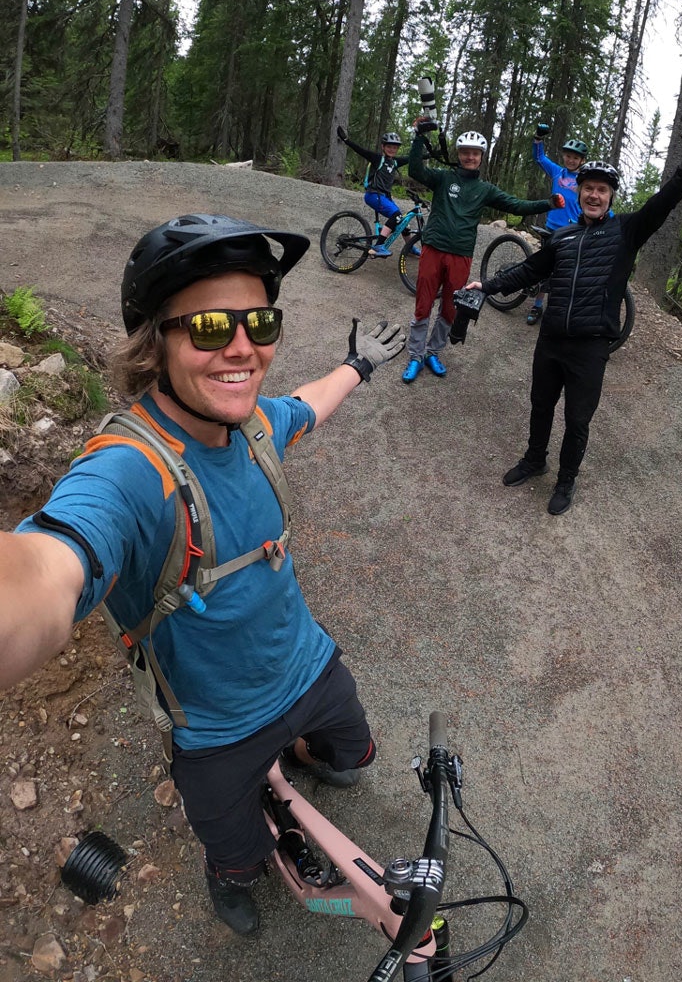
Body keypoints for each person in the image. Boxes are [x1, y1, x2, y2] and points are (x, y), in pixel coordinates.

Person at [0, 214, 405, 935]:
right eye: (211, 326)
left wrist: (359, 365)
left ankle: (302, 754)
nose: (242, 347)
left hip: (306, 665)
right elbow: (48, 567)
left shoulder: (256, 425)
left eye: (260, 322)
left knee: (354, 757)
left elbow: (308, 404)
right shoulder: (130, 470)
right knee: (236, 851)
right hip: (215, 728)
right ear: (155, 343)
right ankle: (232, 875)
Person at [467, 112, 682, 516]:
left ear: (611, 197)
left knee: (578, 419)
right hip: (551, 339)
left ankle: (566, 480)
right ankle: (534, 459)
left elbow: (664, 202)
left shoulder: (627, 231)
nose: (594, 195)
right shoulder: (563, 237)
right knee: (540, 405)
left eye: (601, 190)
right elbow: (530, 270)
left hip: (590, 347)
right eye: (588, 189)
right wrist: (488, 286)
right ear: (578, 193)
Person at [403, 116, 565, 382]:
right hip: (433, 248)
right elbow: (415, 171)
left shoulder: (485, 189)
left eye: (475, 153)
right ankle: (415, 356)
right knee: (423, 304)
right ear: (459, 154)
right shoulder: (444, 178)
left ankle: (433, 352)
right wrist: (419, 137)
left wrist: (547, 203)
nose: (470, 157)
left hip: (461, 254)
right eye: (465, 152)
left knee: (450, 307)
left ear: (481, 157)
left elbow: (516, 205)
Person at [527, 125, 587, 324]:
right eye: (568, 156)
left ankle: (556, 309)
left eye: (575, 158)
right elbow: (539, 158)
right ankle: (537, 306)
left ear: (582, 160)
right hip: (552, 228)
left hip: (572, 231)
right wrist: (538, 138)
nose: (571, 160)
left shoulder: (585, 180)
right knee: (546, 269)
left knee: (563, 272)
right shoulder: (557, 172)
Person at [336, 125, 417, 257]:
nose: (392, 149)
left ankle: (410, 247)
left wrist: (430, 154)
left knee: (403, 222)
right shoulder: (378, 159)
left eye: (395, 147)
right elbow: (361, 151)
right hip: (374, 195)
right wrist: (346, 140)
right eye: (389, 146)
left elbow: (412, 158)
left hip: (384, 197)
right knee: (396, 216)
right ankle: (378, 246)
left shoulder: (395, 162)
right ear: (383, 147)